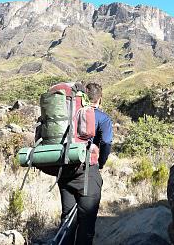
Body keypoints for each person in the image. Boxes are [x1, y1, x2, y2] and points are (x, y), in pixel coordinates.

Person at [58, 82, 113, 245]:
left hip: (65, 170)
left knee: (67, 219)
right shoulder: (103, 118)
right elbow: (107, 143)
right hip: (88, 172)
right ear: (99, 99)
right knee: (86, 224)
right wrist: (101, 162)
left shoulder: (70, 114)